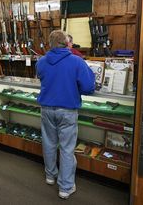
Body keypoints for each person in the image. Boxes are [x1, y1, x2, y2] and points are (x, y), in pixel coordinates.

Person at [36, 30, 95, 199]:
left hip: (46, 109)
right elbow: (88, 87)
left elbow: (41, 77)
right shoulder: (76, 61)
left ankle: (50, 176)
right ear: (66, 43)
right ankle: (65, 187)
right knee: (67, 149)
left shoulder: (41, 61)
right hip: (67, 111)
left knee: (48, 143)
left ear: (50, 44)